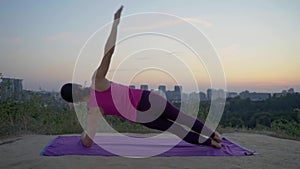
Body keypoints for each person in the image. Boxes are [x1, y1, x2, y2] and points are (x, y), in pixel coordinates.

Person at [60, 6, 222, 149]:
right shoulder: (97, 82)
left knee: (176, 129)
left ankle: (211, 143)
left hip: (141, 117)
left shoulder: (93, 110)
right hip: (147, 100)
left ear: (76, 102)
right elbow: (109, 52)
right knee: (182, 118)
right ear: (78, 86)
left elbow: (88, 142)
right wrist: (115, 25)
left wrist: (83, 134)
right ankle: (215, 136)